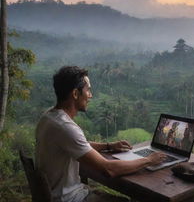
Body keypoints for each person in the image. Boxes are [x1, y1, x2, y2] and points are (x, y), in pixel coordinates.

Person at [35, 66, 167, 202]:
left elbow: (79, 145)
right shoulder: (65, 128)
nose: (90, 95)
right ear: (75, 94)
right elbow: (109, 169)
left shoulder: (48, 117)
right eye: (88, 90)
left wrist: (108, 145)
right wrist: (149, 160)